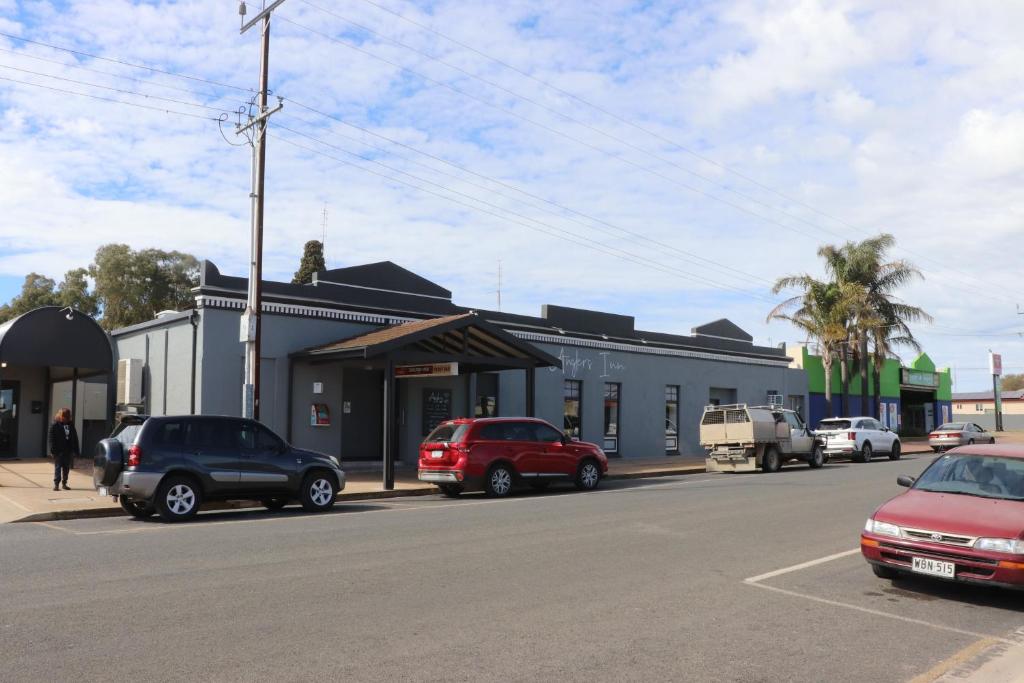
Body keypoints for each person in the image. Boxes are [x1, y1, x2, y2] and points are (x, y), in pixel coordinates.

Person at [48, 408, 79, 492]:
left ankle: (64, 483)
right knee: (58, 467)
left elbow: (74, 437)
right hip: (58, 451)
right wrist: (52, 450)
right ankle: (56, 485)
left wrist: (76, 450)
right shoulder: (54, 425)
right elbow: (51, 439)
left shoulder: (71, 425)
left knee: (66, 468)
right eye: (64, 417)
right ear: (60, 416)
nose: (65, 419)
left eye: (67, 417)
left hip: (68, 450)